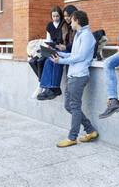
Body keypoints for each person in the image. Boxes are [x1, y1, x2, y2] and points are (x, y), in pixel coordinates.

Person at [49, 10, 98, 147]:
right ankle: (90, 130)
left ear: (78, 21)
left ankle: (72, 137)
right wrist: (60, 54)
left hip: (79, 76)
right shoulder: (79, 35)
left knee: (75, 107)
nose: (70, 22)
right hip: (73, 75)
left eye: (72, 20)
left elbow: (80, 57)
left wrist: (61, 61)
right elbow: (74, 54)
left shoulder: (87, 36)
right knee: (68, 106)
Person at [37, 6, 68, 100]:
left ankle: (52, 87)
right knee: (37, 60)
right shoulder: (50, 25)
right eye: (53, 16)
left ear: (60, 15)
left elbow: (64, 40)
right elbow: (48, 39)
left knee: (50, 60)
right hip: (52, 47)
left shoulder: (63, 24)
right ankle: (45, 85)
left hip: (60, 47)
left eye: (57, 16)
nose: (55, 18)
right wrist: (48, 47)